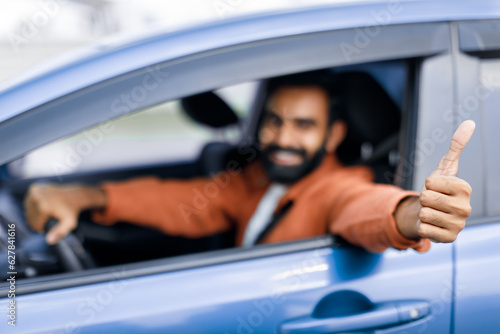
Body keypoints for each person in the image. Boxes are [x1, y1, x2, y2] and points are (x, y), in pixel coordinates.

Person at [24, 72, 475, 253]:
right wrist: (84, 194)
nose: (282, 138)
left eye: (303, 125)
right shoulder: (258, 180)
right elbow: (179, 202)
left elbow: (370, 209)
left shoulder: (339, 186)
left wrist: (420, 213)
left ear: (333, 135)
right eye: (274, 121)